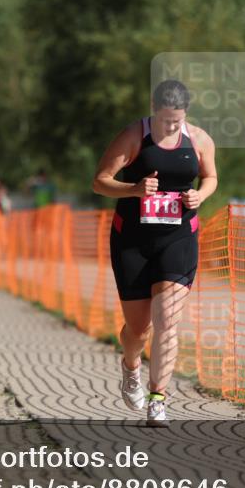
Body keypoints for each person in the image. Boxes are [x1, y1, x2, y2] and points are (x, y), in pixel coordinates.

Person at [92, 79, 218, 426]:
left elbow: (210, 177)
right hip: (133, 241)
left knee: (167, 321)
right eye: (165, 120)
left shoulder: (200, 140)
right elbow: (100, 181)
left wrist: (200, 195)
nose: (171, 126)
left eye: (177, 120)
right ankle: (130, 366)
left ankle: (158, 398)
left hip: (178, 238)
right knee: (139, 330)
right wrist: (134, 189)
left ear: (186, 113)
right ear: (153, 109)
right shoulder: (134, 136)